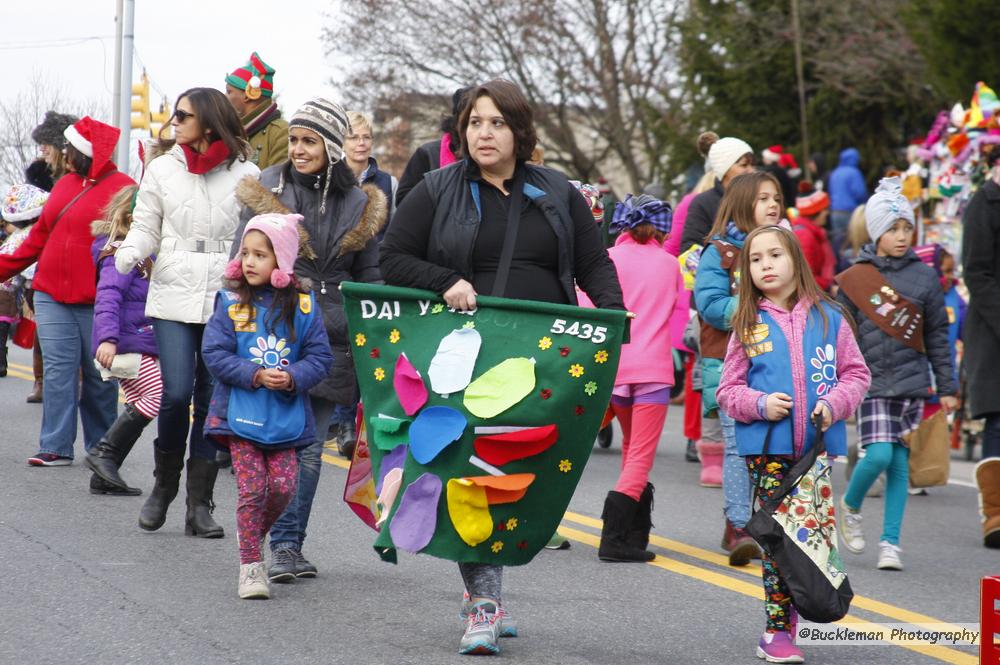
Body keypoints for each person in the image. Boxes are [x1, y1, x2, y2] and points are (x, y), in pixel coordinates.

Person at [380, 79, 624, 656]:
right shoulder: (438, 188)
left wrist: (615, 322)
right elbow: (392, 256)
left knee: (521, 471)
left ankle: (486, 590)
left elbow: (593, 263)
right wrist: (445, 281)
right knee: (471, 469)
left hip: (544, 360)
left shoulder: (558, 191)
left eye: (495, 123)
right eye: (473, 123)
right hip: (466, 359)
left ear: (519, 131)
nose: (483, 133)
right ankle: (484, 602)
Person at [234, 96, 388, 581]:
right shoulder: (268, 187)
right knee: (275, 441)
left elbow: (371, 276)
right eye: (295, 140)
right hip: (278, 325)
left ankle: (286, 545)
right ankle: (269, 539)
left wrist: (376, 332)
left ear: (332, 146)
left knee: (307, 446)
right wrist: (240, 322)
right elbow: (245, 263)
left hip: (334, 336)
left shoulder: (360, 201)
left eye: (310, 141)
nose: (298, 149)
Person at [717, 224, 870, 664]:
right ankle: (776, 632)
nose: (765, 265)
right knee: (778, 541)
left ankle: (802, 610)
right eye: (756, 259)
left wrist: (835, 404)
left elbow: (856, 375)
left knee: (809, 542)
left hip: (815, 451)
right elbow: (727, 391)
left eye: (774, 255)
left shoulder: (830, 317)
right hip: (766, 451)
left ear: (796, 261)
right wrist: (760, 403)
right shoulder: (746, 323)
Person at [115, 87, 260, 537]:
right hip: (174, 292)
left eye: (184, 115)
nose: (174, 122)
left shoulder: (247, 173)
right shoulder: (160, 168)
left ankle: (200, 503)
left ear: (211, 123)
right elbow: (146, 226)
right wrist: (128, 251)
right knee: (176, 394)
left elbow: (258, 232)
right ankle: (164, 486)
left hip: (225, 296)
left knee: (212, 401)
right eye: (175, 114)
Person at [203, 213, 333, 599]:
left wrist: (293, 376)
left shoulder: (305, 308)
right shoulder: (229, 303)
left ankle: (251, 536)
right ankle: (250, 566)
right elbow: (214, 352)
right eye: (245, 253)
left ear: (283, 264)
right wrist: (254, 374)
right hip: (237, 415)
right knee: (253, 489)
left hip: (286, 417)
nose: (249, 262)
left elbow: (320, 357)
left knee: (282, 487)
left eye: (261, 255)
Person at [835, 177, 958, 570]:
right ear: (875, 232)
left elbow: (937, 333)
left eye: (907, 227)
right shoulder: (856, 278)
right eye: (893, 228)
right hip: (869, 383)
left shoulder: (924, 277)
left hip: (912, 384)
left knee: (901, 466)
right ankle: (850, 506)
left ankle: (891, 542)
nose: (902, 236)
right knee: (879, 455)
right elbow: (841, 335)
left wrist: (948, 386)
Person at [0, 118, 135, 466]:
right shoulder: (64, 185)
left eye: (68, 148)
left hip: (99, 300)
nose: (63, 153)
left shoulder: (125, 189)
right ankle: (55, 446)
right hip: (50, 295)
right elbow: (37, 239)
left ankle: (102, 450)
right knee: (59, 370)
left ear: (84, 152)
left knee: (98, 376)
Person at [585, 194, 685, 563]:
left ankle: (633, 534)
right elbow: (677, 309)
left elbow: (586, 305)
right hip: (653, 372)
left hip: (617, 370)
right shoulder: (669, 264)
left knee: (632, 447)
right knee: (641, 454)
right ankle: (613, 538)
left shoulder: (607, 259)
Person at [693, 171, 784, 565]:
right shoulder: (720, 252)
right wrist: (754, 312)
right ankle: (739, 524)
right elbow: (710, 303)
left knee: (773, 446)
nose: (773, 204)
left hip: (775, 362)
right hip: (729, 364)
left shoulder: (786, 248)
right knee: (736, 445)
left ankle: (770, 522)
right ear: (743, 203)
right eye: (764, 197)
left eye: (776, 197)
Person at [84, 185, 162, 496]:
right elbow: (108, 296)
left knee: (135, 402)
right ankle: (103, 454)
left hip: (137, 340)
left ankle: (104, 475)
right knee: (156, 395)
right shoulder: (120, 251)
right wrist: (107, 339)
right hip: (124, 342)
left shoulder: (143, 251)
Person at [960, 144, 1000, 548]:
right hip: (992, 331)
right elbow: (976, 272)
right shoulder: (982, 204)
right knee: (998, 420)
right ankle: (995, 513)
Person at [24, 111, 78, 403]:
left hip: (73, 257)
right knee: (42, 322)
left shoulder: (78, 177)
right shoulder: (37, 176)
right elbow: (26, 220)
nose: (42, 148)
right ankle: (41, 380)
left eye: (47, 142)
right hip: (41, 256)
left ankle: (79, 378)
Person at [0, 184, 48, 377]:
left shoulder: (24, 236)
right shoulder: (33, 232)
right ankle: (41, 381)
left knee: (45, 340)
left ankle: (42, 382)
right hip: (38, 290)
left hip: (40, 291)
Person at [679, 132, 755, 251]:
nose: (751, 170)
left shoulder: (762, 195)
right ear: (724, 170)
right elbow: (691, 249)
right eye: (744, 165)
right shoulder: (702, 203)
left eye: (752, 164)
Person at [395, 86, 470, 205]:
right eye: (469, 119)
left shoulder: (491, 156)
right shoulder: (428, 153)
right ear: (456, 120)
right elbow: (403, 200)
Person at [224, 52, 289, 170]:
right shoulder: (229, 132)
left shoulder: (281, 133)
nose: (224, 97)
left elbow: (278, 184)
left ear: (249, 95)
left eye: (229, 92)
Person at [791, 181, 836, 291]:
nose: (827, 213)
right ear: (815, 212)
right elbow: (805, 277)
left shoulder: (814, 232)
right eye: (824, 209)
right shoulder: (805, 236)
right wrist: (829, 287)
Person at [828, 147, 868, 267]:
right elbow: (859, 192)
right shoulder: (854, 172)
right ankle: (853, 267)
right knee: (853, 242)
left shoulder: (835, 172)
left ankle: (838, 266)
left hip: (835, 212)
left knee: (838, 241)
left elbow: (830, 191)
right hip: (850, 212)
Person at [761, 145, 797, 210]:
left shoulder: (768, 171)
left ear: (769, 158)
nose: (763, 159)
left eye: (764, 157)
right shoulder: (781, 170)